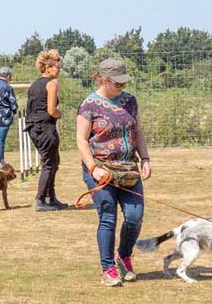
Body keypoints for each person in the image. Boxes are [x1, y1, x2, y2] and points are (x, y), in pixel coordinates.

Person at [76, 58, 152, 286]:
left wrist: (145, 158)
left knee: (134, 216)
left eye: (123, 82)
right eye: (117, 83)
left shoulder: (130, 101)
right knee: (108, 216)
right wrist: (93, 168)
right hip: (101, 170)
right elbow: (81, 140)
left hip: (129, 169)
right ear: (105, 79)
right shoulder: (89, 105)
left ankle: (124, 255)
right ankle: (108, 268)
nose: (122, 87)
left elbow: (138, 132)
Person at [25, 49, 68, 211]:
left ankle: (51, 197)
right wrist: (59, 114)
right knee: (49, 164)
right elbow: (51, 110)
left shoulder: (34, 85)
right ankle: (41, 199)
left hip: (33, 127)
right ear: (47, 68)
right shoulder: (51, 84)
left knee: (53, 162)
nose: (59, 70)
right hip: (45, 127)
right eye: (57, 67)